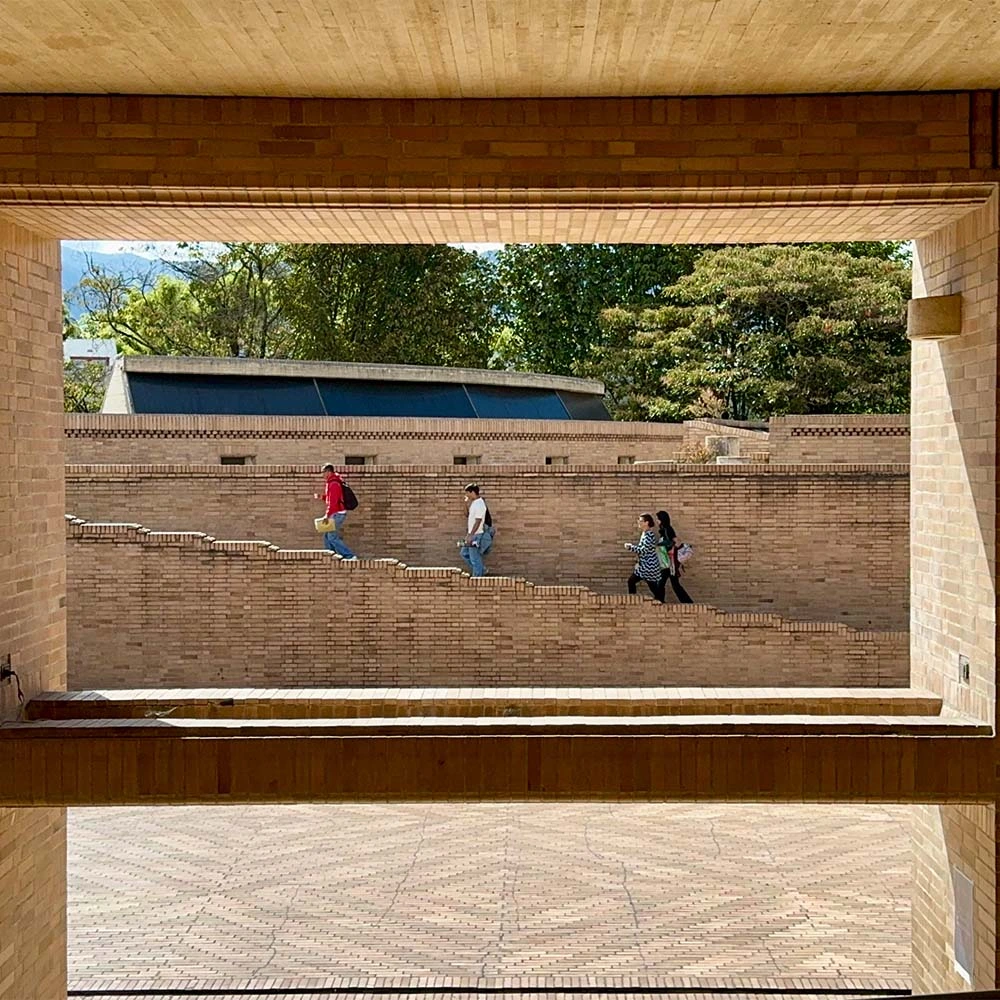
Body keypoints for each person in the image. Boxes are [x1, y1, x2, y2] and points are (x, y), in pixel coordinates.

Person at [313, 463, 357, 560]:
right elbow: (332, 499)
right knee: (327, 536)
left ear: (329, 472)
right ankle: (331, 556)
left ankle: (349, 555)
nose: (322, 475)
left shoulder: (333, 484)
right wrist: (322, 497)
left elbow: (333, 503)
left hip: (337, 513)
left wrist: (326, 516)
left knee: (332, 536)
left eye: (323, 472)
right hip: (336, 513)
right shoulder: (332, 483)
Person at [625, 513, 665, 601]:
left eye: (641, 521)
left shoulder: (649, 535)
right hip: (648, 566)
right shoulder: (645, 534)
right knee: (653, 586)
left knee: (631, 581)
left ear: (647, 523)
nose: (639, 522)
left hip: (648, 566)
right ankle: (661, 602)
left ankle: (633, 601)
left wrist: (630, 547)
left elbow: (643, 550)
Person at [656, 509, 694, 604]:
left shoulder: (667, 529)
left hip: (670, 561)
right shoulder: (664, 530)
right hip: (667, 562)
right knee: (672, 583)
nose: (657, 521)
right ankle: (687, 602)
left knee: (665, 582)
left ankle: (660, 601)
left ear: (662, 519)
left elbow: (675, 542)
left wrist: (661, 545)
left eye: (658, 519)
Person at [459, 483, 494, 577]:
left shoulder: (480, 504)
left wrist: (471, 535)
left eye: (467, 493)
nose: (466, 495)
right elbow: (467, 515)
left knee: (474, 557)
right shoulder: (474, 503)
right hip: (471, 534)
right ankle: (482, 569)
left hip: (476, 535)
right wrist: (465, 503)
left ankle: (478, 577)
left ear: (472, 492)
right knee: (464, 553)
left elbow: (478, 521)